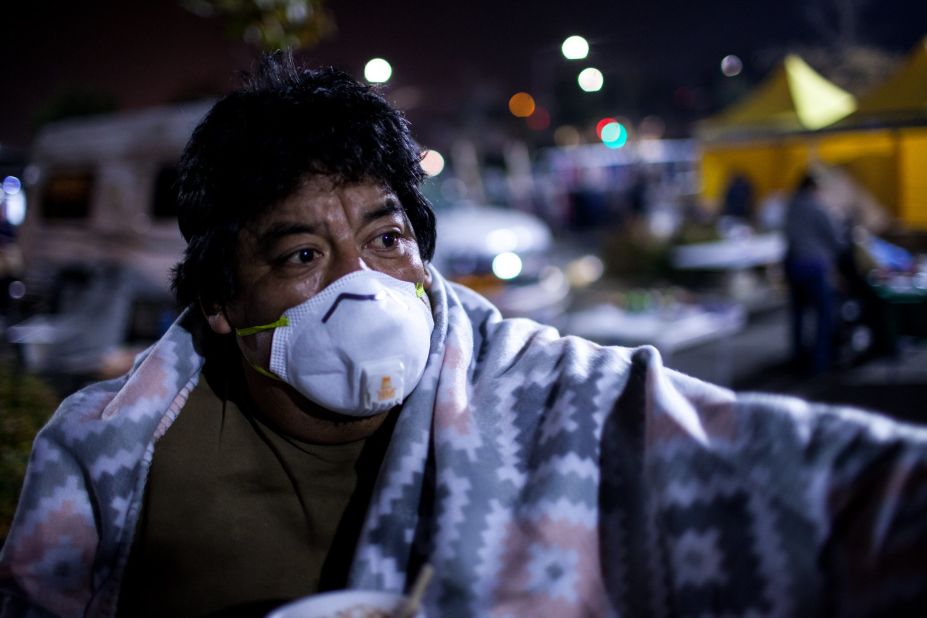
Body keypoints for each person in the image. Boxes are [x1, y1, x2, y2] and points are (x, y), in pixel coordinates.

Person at [2, 53, 927, 618]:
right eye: (299, 256)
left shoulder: (547, 393)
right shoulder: (110, 460)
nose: (362, 287)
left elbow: (823, 480)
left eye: (386, 238)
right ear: (217, 299)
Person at [783, 172, 847, 374]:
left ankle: (797, 359)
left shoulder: (791, 207)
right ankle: (819, 363)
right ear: (813, 188)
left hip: (794, 266)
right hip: (815, 267)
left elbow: (787, 235)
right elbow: (836, 239)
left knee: (799, 316)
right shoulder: (818, 208)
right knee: (823, 315)